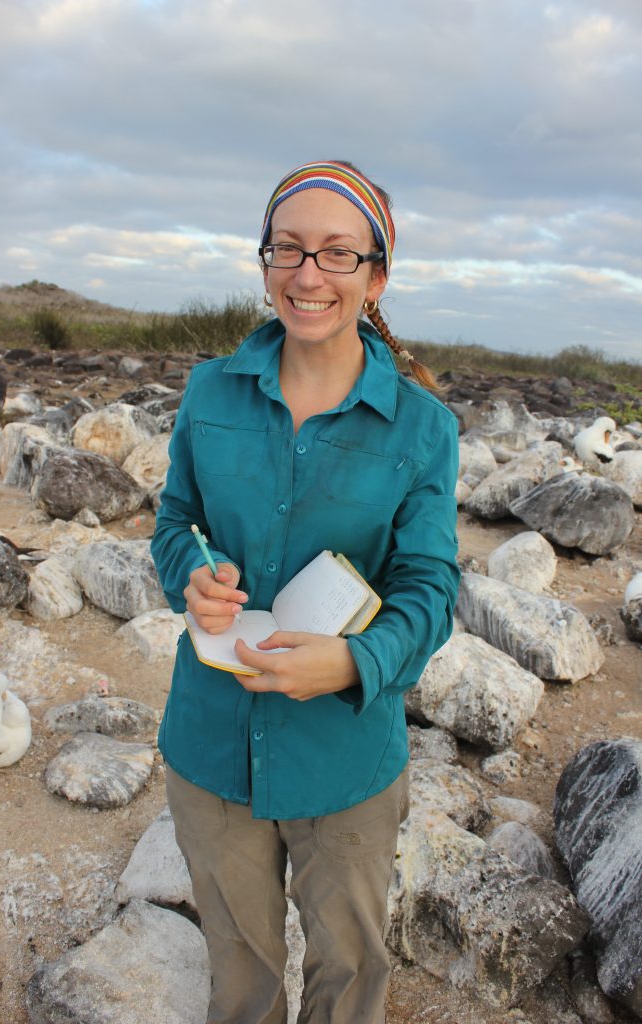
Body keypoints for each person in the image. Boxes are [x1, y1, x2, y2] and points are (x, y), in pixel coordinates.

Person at [150, 160, 460, 1024]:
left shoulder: (422, 426)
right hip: (212, 746)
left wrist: (355, 661)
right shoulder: (209, 391)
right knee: (240, 971)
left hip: (345, 759)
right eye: (286, 249)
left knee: (349, 966)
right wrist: (192, 575)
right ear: (264, 263)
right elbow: (174, 522)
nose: (306, 274)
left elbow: (431, 587)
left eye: (335, 253)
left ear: (375, 275)